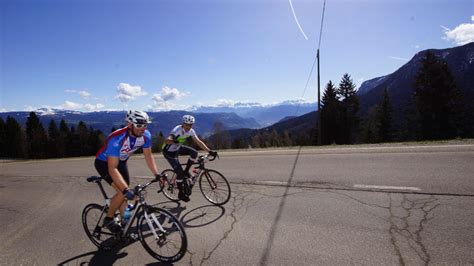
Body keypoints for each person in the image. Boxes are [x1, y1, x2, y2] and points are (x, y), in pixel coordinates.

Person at [95, 110, 162, 233]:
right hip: (104, 164)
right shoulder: (116, 139)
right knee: (123, 192)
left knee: (127, 194)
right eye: (139, 125)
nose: (143, 128)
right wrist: (125, 190)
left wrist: (157, 174)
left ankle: (124, 225)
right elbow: (112, 168)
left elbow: (148, 156)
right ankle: (108, 219)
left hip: (121, 162)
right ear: (129, 124)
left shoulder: (145, 136)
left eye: (145, 125)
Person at [162, 114, 218, 202]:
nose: (189, 127)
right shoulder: (177, 130)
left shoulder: (191, 131)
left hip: (177, 149)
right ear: (183, 124)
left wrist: (209, 151)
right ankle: (180, 193)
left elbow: (199, 142)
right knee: (179, 174)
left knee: (194, 153)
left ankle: (186, 171)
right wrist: (174, 141)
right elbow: (166, 140)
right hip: (169, 152)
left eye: (191, 125)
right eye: (187, 125)